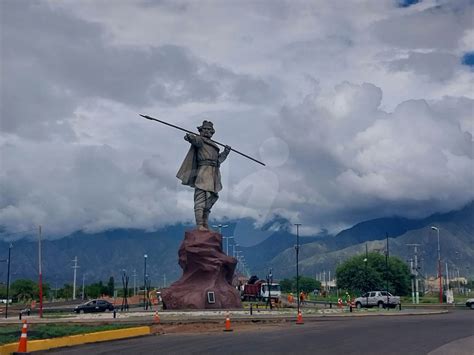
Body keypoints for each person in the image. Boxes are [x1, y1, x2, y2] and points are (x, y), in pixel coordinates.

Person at [177, 120, 231, 231]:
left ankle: (205, 224)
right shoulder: (200, 141)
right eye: (204, 129)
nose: (206, 131)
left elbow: (218, 161)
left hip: (213, 176)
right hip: (203, 173)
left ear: (212, 132)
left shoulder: (214, 146)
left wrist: (225, 153)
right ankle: (200, 225)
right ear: (201, 131)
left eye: (208, 129)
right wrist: (190, 137)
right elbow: (194, 140)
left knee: (210, 200)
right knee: (200, 200)